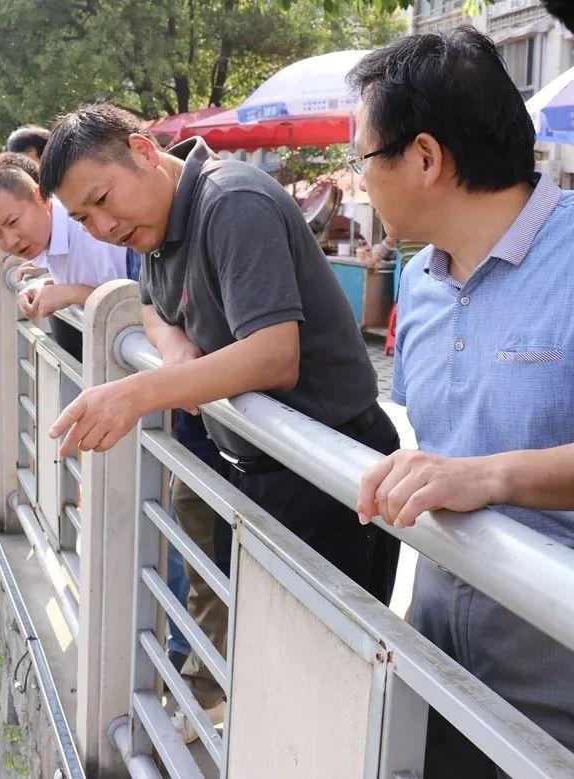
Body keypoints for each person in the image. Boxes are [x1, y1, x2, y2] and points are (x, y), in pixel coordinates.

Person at [39, 102, 401, 602]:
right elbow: (151, 307)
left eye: (102, 199)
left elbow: (274, 354)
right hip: (253, 466)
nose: (103, 226)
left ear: (143, 152)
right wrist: (175, 348)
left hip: (328, 471)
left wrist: (137, 392)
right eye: (83, 219)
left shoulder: (231, 201)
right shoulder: (156, 225)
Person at [348, 28, 574, 776]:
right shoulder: (418, 281)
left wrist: (493, 474)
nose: (358, 182)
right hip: (436, 655)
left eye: (361, 159)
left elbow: (471, 469)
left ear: (423, 157)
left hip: (555, 686)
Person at [0, 166, 127, 360]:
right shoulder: (51, 236)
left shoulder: (91, 229)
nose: (10, 241)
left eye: (13, 222)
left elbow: (138, 304)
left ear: (40, 197)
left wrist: (72, 292)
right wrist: (51, 283)